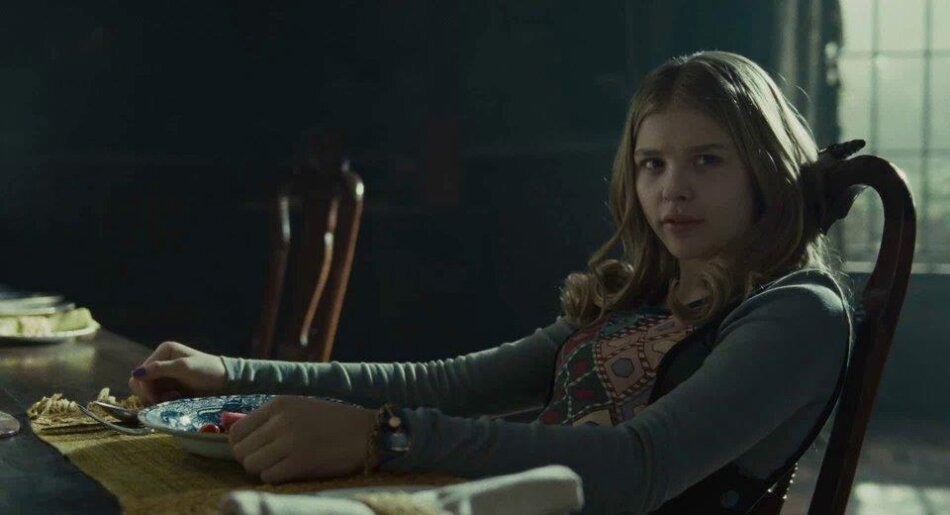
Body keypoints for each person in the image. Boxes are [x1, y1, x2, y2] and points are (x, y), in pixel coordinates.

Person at [129, 51, 853, 514]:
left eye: (707, 160)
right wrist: (232, 373)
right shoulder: (639, 298)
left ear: (764, 168)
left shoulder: (798, 312)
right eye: (652, 163)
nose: (673, 189)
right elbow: (448, 383)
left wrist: (385, 438)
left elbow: (639, 466)